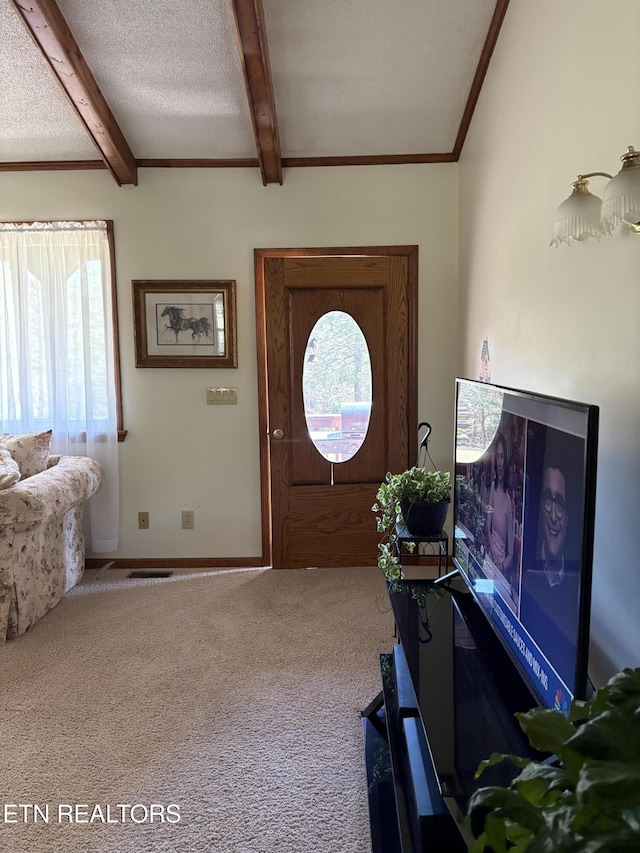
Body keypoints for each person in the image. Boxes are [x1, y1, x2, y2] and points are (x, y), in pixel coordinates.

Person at [486, 432, 514, 577]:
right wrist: (492, 556)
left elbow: (511, 554)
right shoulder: (492, 488)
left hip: (501, 568)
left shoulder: (509, 500)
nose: (499, 462)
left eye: (502, 457)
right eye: (497, 456)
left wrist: (501, 566)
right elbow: (487, 525)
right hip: (489, 559)